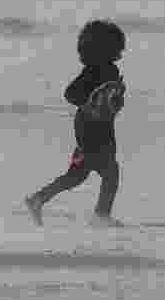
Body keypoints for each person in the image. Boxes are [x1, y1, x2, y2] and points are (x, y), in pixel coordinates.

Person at [24, 20, 127, 228]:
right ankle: (101, 215)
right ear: (105, 49)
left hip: (103, 125)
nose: (121, 52)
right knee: (108, 172)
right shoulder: (91, 72)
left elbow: (112, 98)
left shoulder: (111, 71)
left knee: (77, 176)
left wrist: (115, 100)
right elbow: (71, 94)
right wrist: (90, 102)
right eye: (117, 47)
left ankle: (38, 199)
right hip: (89, 127)